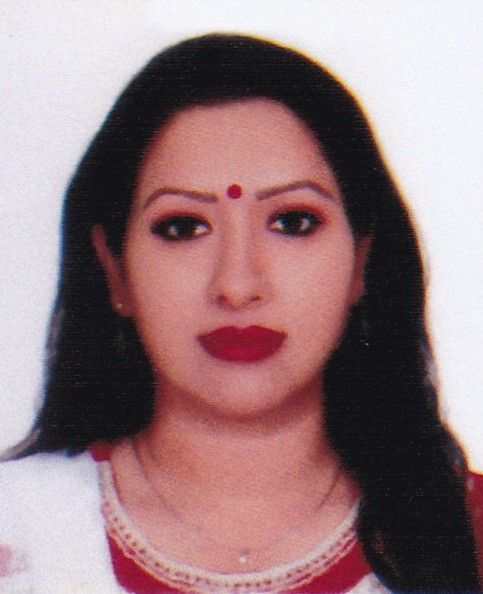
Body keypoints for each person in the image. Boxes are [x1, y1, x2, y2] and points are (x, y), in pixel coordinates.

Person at [0, 33, 481, 593]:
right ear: (115, 269)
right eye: (183, 227)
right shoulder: (19, 532)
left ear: (362, 261)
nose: (237, 285)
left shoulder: (468, 535)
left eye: (293, 222)